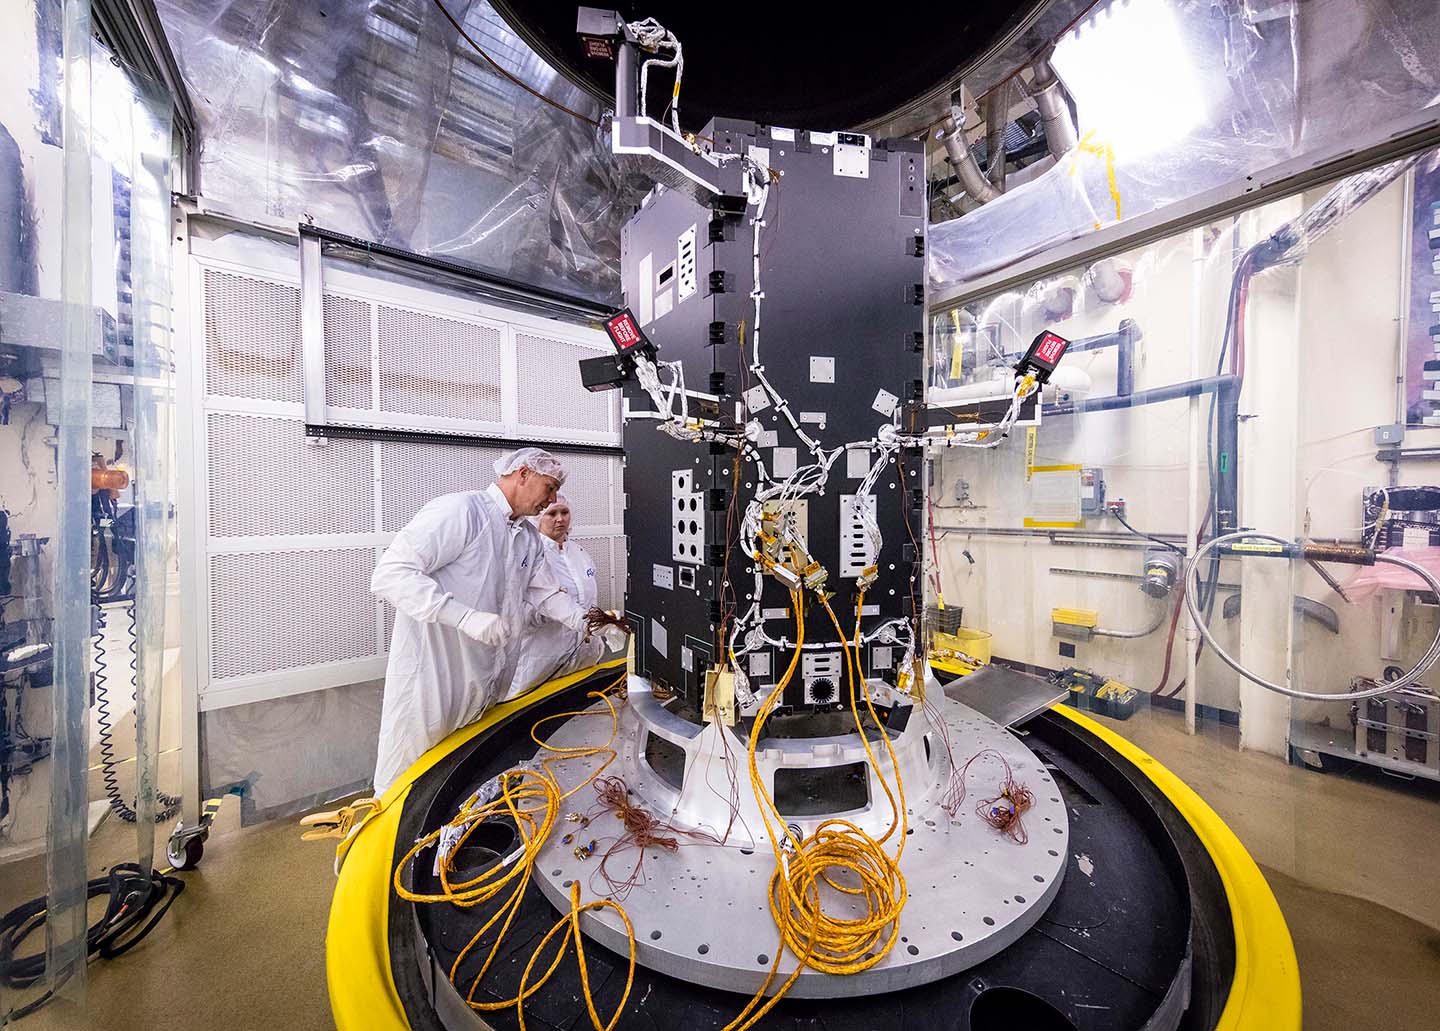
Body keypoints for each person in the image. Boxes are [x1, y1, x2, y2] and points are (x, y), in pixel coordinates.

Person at [369, 447, 601, 794]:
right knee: (405, 788)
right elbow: (390, 574)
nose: (551, 499)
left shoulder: (526, 537)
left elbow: (544, 593)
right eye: (549, 488)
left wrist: (587, 622)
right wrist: (463, 617)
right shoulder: (461, 512)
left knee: (461, 787)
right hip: (434, 683)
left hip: (485, 684)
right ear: (523, 475)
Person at [511, 495, 609, 698]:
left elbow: (590, 601)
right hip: (543, 666)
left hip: (585, 659)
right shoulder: (529, 557)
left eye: (564, 512)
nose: (560, 519)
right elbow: (517, 612)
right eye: (552, 513)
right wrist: (551, 611)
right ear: (537, 517)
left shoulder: (580, 553)